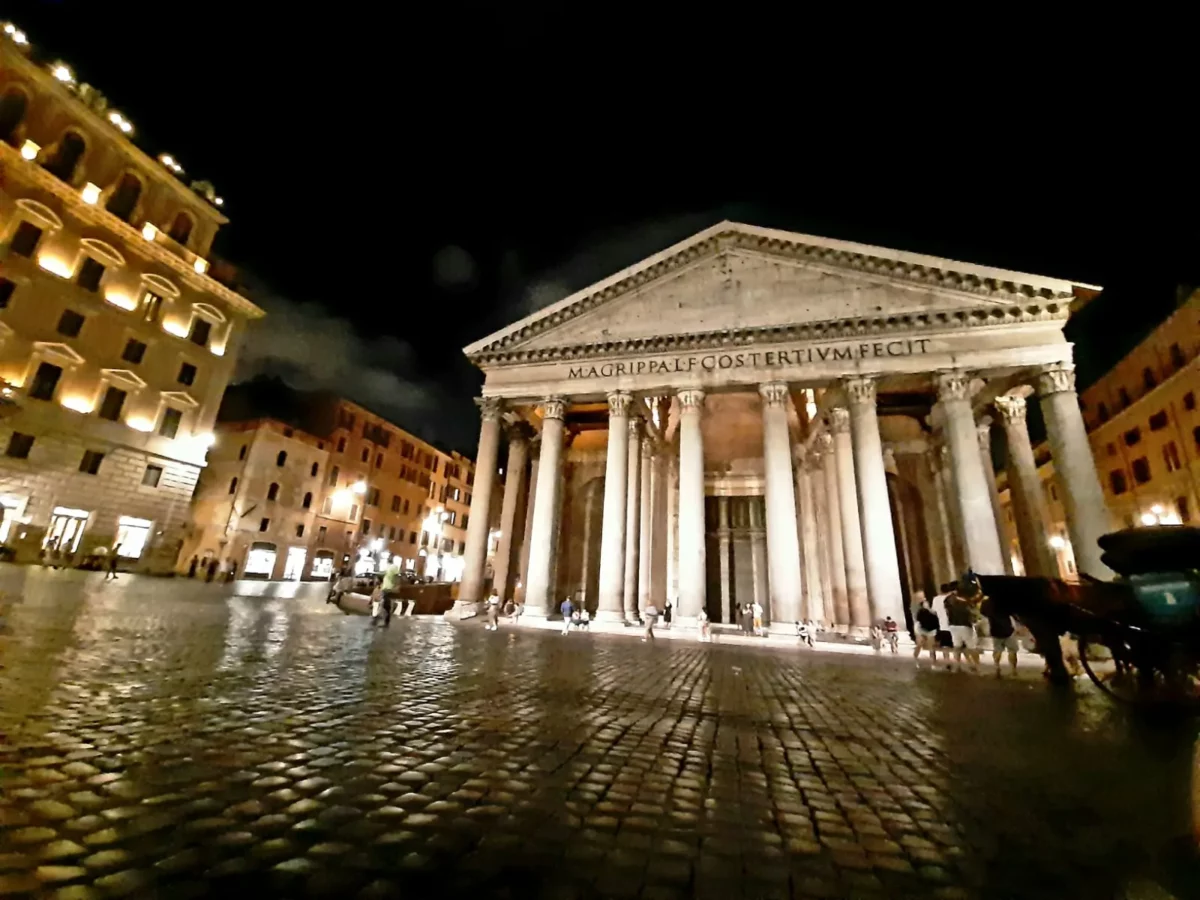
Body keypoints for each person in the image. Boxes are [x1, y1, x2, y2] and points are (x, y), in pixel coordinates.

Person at [981, 593, 1019, 675]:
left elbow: (983, 614)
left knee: (997, 649)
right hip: (1007, 629)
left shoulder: (986, 602)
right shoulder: (1004, 602)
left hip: (994, 629)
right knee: (1012, 650)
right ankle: (1013, 669)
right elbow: (1013, 614)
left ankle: (997, 667)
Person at [945, 586, 981, 672]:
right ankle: (976, 665)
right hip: (964, 626)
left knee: (957, 646)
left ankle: (957, 665)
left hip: (953, 626)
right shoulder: (966, 603)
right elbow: (973, 615)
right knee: (972, 647)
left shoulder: (950, 601)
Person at [913, 598, 941, 665]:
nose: (927, 604)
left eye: (927, 602)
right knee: (920, 644)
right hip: (921, 629)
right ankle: (915, 657)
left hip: (931, 629)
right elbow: (919, 620)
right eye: (925, 603)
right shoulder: (921, 611)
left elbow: (936, 621)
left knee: (932, 646)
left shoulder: (933, 611)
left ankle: (933, 661)